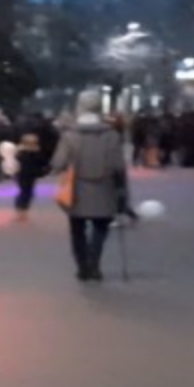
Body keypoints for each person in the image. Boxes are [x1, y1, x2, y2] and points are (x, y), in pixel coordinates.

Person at [47, 90, 130, 281]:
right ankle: (94, 263)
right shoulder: (111, 135)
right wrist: (122, 192)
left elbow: (58, 163)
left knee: (77, 231)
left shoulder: (70, 135)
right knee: (100, 229)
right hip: (104, 189)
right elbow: (118, 166)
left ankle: (82, 266)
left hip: (76, 191)